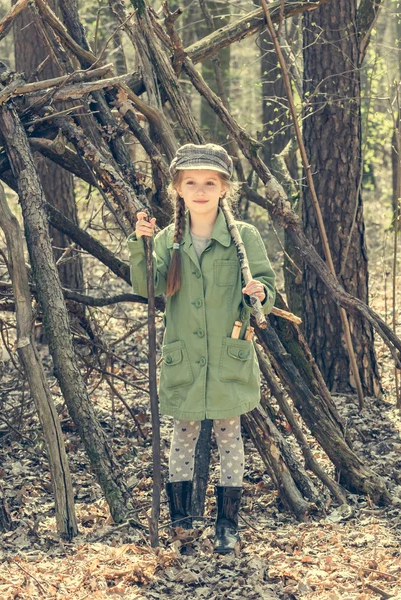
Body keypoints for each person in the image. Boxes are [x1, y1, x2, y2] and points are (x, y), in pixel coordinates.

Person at [127, 143, 276, 554]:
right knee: (183, 437)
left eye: (210, 182)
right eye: (191, 182)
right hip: (185, 360)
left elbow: (266, 291)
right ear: (177, 188)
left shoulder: (243, 237)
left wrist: (259, 293)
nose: (200, 189)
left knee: (230, 438)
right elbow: (148, 288)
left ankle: (227, 526)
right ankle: (181, 523)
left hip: (229, 359)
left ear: (224, 188)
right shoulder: (165, 240)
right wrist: (139, 249)